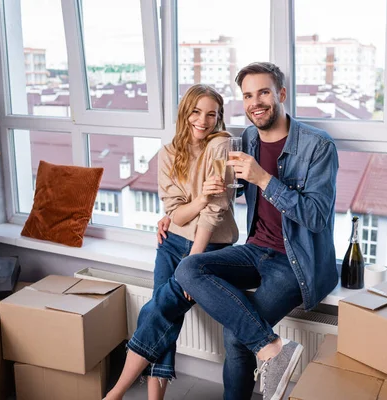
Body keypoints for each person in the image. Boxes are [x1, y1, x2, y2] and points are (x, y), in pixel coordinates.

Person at [108, 62, 339, 400]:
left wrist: (263, 179)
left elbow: (317, 217)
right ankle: (273, 347)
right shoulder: (247, 139)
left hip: (294, 261)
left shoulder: (318, 146)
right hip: (255, 248)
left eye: (263, 92)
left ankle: (270, 349)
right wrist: (180, 214)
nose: (255, 102)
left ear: (282, 95)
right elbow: (236, 192)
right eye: (247, 95)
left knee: (234, 335)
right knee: (188, 268)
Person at [105, 84, 238, 400]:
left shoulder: (220, 146)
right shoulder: (168, 153)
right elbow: (176, 215)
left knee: (158, 309)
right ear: (185, 112)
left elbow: (215, 212)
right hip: (171, 243)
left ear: (218, 118)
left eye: (211, 114)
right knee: (162, 312)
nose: (202, 121)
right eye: (196, 112)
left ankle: (115, 393)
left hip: (208, 248)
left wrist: (193, 261)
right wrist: (201, 197)